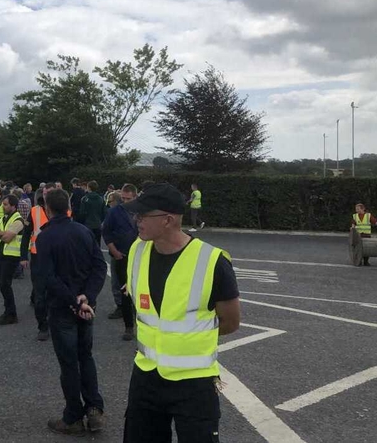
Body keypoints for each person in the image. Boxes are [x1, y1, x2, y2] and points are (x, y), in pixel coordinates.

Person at [122, 182, 241, 442]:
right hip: (146, 376)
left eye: (143, 215)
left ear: (167, 220)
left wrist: (186, 341)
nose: (136, 219)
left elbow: (231, 322)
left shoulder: (213, 261)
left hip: (194, 383)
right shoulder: (137, 250)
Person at [37, 188, 107, 436]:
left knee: (69, 364)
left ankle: (73, 417)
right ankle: (95, 410)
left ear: (47, 208)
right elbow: (99, 266)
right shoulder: (84, 231)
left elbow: (47, 277)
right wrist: (88, 296)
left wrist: (73, 301)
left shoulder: (45, 237)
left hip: (63, 308)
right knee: (85, 356)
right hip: (86, 306)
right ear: (68, 206)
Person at [101, 186, 140, 341]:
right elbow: (106, 232)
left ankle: (143, 324)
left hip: (139, 258)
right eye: (123, 198)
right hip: (121, 257)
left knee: (142, 293)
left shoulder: (143, 211)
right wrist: (114, 251)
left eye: (128, 199)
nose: (125, 201)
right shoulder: (114, 212)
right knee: (125, 291)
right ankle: (129, 327)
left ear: (135, 197)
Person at [20, 183, 57, 341]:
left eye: (50, 193)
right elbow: (27, 234)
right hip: (38, 257)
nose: (47, 195)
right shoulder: (34, 211)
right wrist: (23, 257)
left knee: (56, 293)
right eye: (45, 192)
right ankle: (43, 326)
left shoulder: (65, 210)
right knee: (40, 295)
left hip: (58, 258)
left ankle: (56, 323)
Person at [0, 195, 24, 325]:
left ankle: (11, 314)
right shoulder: (4, 219)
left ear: (13, 206)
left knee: (5, 285)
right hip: (1, 255)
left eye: (5, 204)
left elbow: (7, 238)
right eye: (3, 204)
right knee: (2, 285)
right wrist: (2, 233)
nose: (2, 206)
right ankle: (8, 311)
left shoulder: (18, 220)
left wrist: (1, 234)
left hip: (11, 257)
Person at [77, 180, 107, 246]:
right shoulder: (101, 199)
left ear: (89, 188)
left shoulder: (84, 199)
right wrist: (100, 220)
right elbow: (104, 212)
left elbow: (82, 213)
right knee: (97, 244)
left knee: (87, 244)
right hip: (97, 224)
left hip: (87, 224)